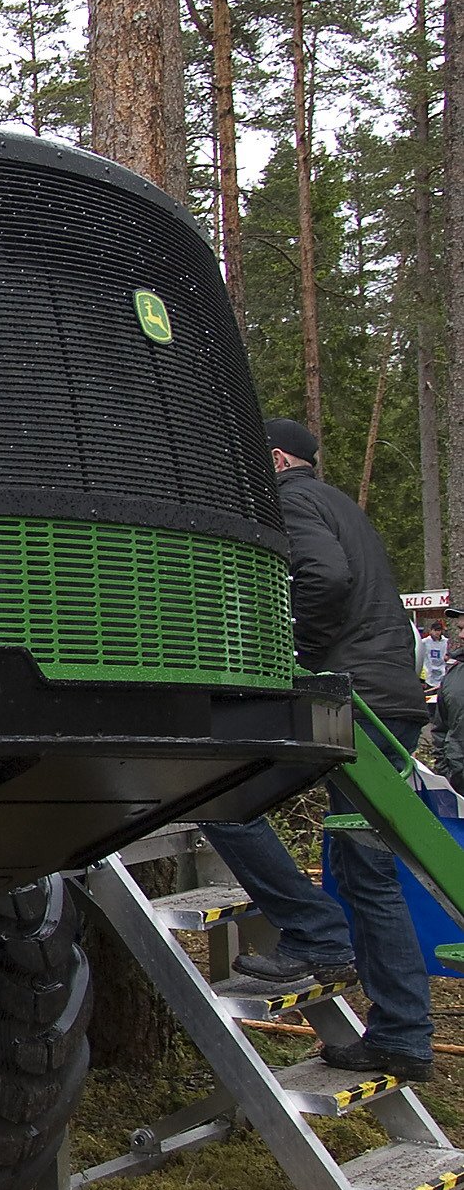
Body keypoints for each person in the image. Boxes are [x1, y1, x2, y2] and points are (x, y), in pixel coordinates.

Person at [200, 418, 436, 1081]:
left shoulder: (292, 501)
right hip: (389, 703)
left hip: (345, 703)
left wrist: (291, 652)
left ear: (276, 459)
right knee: (369, 874)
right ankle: (404, 1038)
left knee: (221, 797)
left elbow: (322, 580)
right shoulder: (339, 505)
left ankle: (315, 935)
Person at [433, 605, 464, 788]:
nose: (461, 635)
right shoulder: (453, 676)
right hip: (458, 786)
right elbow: (441, 728)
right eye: (460, 628)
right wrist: (445, 773)